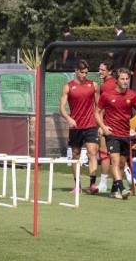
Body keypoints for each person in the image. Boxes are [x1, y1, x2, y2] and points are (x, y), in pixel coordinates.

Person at [95, 67, 136, 200]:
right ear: (116, 81)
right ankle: (123, 189)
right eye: (122, 79)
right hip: (112, 133)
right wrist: (103, 126)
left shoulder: (133, 95)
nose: (125, 81)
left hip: (125, 133)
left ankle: (113, 190)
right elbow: (96, 112)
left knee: (122, 164)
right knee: (115, 161)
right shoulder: (107, 95)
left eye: (127, 79)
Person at [58, 60, 100, 194]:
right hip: (76, 126)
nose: (84, 75)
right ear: (76, 70)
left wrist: (100, 124)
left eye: (86, 73)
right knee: (76, 154)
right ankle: (78, 186)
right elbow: (62, 108)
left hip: (91, 125)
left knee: (92, 152)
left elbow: (99, 106)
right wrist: (69, 118)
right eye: (82, 72)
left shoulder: (93, 85)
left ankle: (93, 184)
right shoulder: (68, 87)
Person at [95, 60, 117, 191]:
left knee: (105, 154)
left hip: (109, 123)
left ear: (110, 71)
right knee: (117, 155)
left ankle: (103, 183)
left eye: (102, 70)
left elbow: (102, 107)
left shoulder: (107, 86)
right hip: (118, 123)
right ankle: (127, 178)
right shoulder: (115, 83)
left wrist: (101, 125)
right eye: (99, 69)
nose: (99, 72)